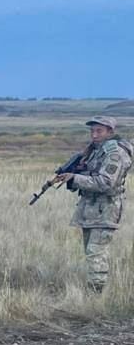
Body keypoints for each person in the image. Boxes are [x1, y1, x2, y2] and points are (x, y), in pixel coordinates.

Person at [53, 115, 133, 292]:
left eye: (99, 131)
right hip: (91, 208)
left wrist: (76, 178)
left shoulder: (115, 153)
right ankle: (95, 289)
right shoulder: (97, 150)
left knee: (96, 252)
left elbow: (106, 182)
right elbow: (92, 174)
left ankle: (96, 294)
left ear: (110, 132)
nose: (94, 135)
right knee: (91, 252)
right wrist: (74, 174)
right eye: (92, 131)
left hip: (106, 208)